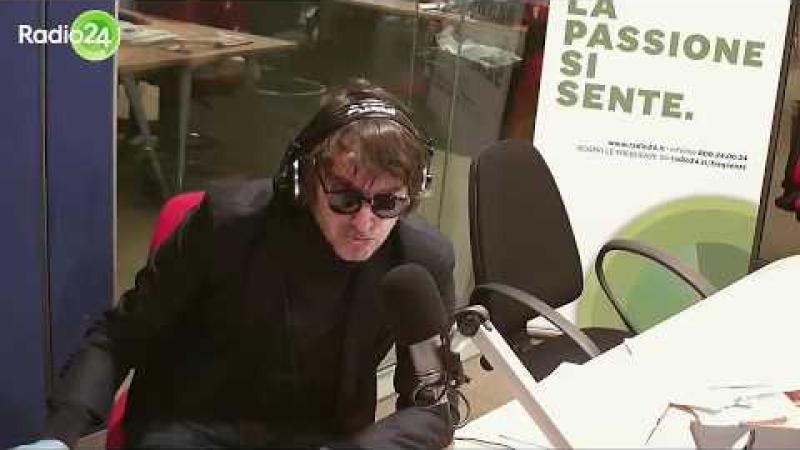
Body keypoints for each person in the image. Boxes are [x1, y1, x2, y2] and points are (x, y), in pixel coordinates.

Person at [21, 79, 458, 449]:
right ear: (304, 181)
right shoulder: (226, 225)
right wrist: (58, 435)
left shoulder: (419, 262)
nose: (365, 223)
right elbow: (119, 336)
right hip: (193, 426)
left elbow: (433, 404)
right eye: (345, 198)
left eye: (387, 202)